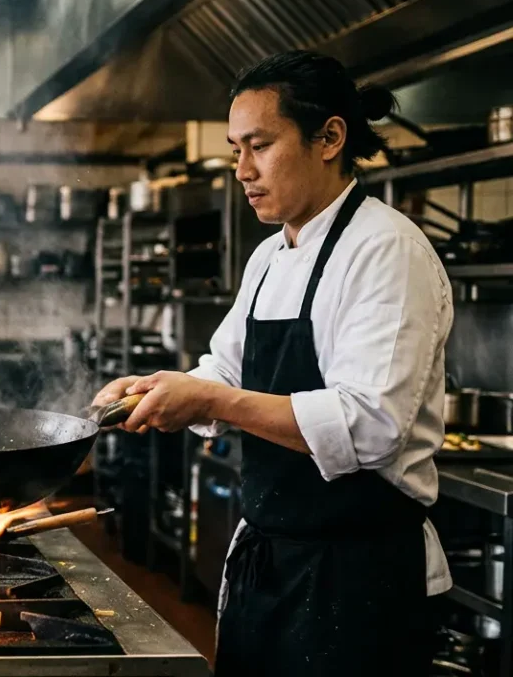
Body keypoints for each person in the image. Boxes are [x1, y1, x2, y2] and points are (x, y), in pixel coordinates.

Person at [91, 51, 451, 676]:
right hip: (269, 566)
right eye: (235, 149)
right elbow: (224, 370)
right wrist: (159, 388)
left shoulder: (387, 250)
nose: (242, 170)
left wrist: (207, 401)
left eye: (259, 145)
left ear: (330, 138)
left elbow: (369, 426)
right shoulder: (268, 258)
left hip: (360, 580)